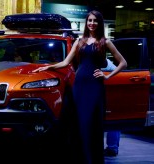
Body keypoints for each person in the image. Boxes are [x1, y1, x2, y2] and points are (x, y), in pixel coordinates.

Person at [33, 10, 127, 164]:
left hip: (95, 87)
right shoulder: (79, 41)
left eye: (95, 21)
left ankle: (91, 159)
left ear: (100, 23)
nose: (92, 23)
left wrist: (108, 75)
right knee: (78, 123)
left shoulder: (105, 41)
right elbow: (65, 62)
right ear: (86, 22)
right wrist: (47, 68)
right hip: (79, 86)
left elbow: (123, 62)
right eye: (89, 20)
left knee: (91, 123)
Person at [102, 58, 121, 157]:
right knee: (113, 120)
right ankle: (112, 148)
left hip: (106, 93)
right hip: (109, 93)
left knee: (112, 120)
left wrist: (106, 76)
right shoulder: (106, 61)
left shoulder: (105, 61)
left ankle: (112, 148)